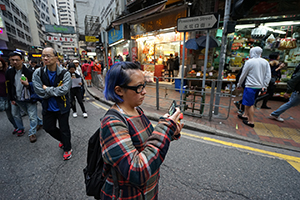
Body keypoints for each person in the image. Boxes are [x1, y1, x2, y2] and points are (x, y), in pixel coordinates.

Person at [100, 61, 183, 199]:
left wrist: (170, 133)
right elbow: (137, 171)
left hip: (148, 193)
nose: (144, 91)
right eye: (139, 87)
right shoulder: (112, 123)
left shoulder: (137, 110)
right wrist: (165, 126)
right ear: (119, 90)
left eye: (144, 85)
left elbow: (148, 143)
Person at [33, 47, 73, 160]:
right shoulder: (38, 73)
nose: (45, 58)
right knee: (48, 128)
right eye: (43, 56)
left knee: (64, 128)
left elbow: (64, 90)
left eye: (48, 56)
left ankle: (67, 148)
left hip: (62, 106)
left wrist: (47, 89)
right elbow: (38, 91)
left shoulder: (65, 73)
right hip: (47, 107)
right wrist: (53, 91)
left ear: (56, 58)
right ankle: (64, 139)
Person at [5, 51, 43, 143]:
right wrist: (12, 98)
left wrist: (28, 84)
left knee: (32, 116)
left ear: (22, 60)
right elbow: (9, 86)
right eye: (12, 60)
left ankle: (32, 133)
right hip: (17, 98)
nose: (15, 62)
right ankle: (40, 123)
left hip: (29, 98)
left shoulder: (30, 72)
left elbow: (36, 85)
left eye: (17, 60)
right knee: (28, 114)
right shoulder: (9, 72)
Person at [237, 47, 271, 128]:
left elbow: (243, 74)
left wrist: (239, 84)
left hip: (250, 86)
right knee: (248, 101)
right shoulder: (265, 62)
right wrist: (265, 85)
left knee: (250, 104)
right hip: (259, 86)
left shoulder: (249, 62)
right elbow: (268, 75)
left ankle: (251, 121)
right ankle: (245, 115)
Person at [0, 57, 18, 133]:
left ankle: (20, 127)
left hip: (11, 95)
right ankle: (16, 127)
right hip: (2, 97)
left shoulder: (7, 72)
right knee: (9, 115)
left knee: (15, 113)